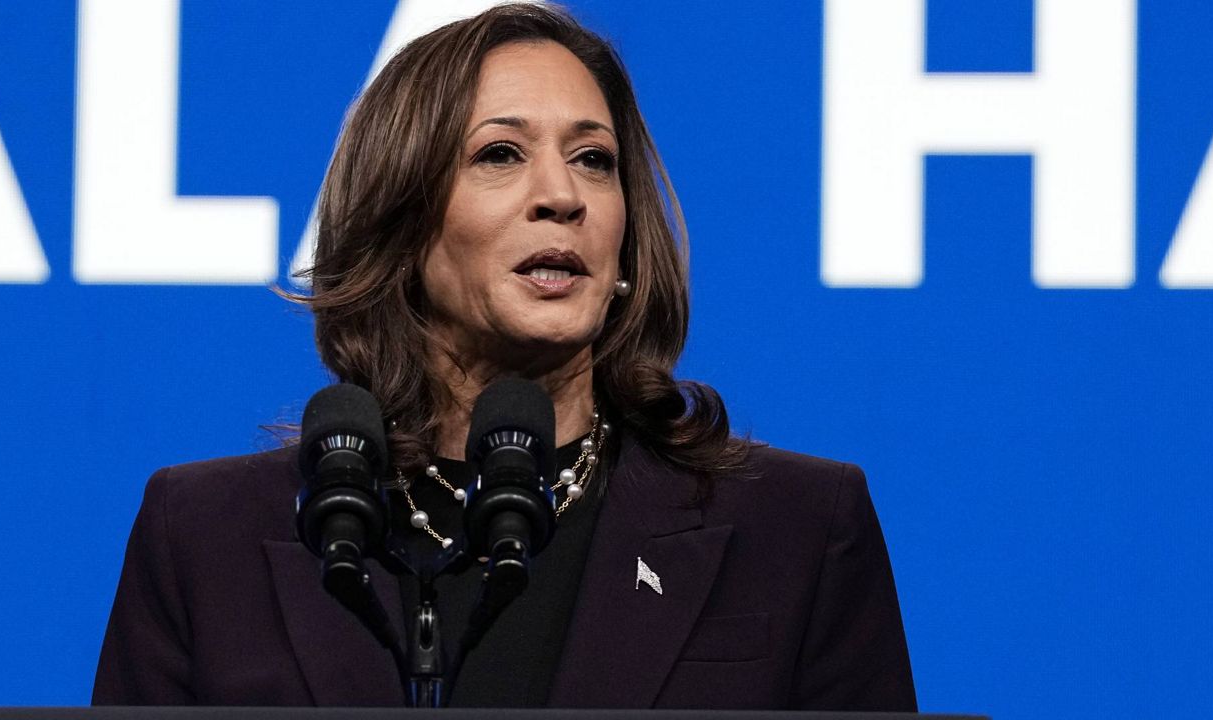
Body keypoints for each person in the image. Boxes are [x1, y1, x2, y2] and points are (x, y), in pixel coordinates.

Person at [93, 3, 916, 710]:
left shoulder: (797, 529)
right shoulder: (205, 542)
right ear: (401, 222)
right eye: (500, 154)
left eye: (594, 159)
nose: (563, 196)